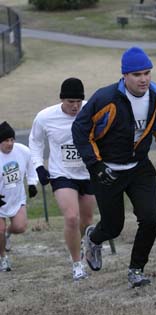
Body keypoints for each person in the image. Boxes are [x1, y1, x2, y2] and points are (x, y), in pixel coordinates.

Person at [72, 47, 156, 288]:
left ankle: (136, 269)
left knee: (150, 220)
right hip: (107, 170)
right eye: (137, 74)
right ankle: (94, 239)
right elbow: (80, 130)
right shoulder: (105, 98)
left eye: (147, 73)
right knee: (113, 226)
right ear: (125, 76)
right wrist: (95, 165)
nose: (144, 79)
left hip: (139, 167)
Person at [29, 77, 96, 281]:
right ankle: (77, 264)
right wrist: (39, 167)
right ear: (61, 100)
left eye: (78, 101)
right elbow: (35, 142)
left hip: (88, 173)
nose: (75, 106)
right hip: (62, 174)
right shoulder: (45, 117)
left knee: (87, 221)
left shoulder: (92, 111)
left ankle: (83, 243)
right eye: (70, 102)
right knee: (71, 218)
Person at [0, 121, 38, 272]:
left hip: (16, 197)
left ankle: (8, 235)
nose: (10, 143)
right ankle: (3, 258)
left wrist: (32, 183)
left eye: (12, 140)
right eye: (6, 140)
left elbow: (31, 167)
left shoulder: (23, 151)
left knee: (20, 227)